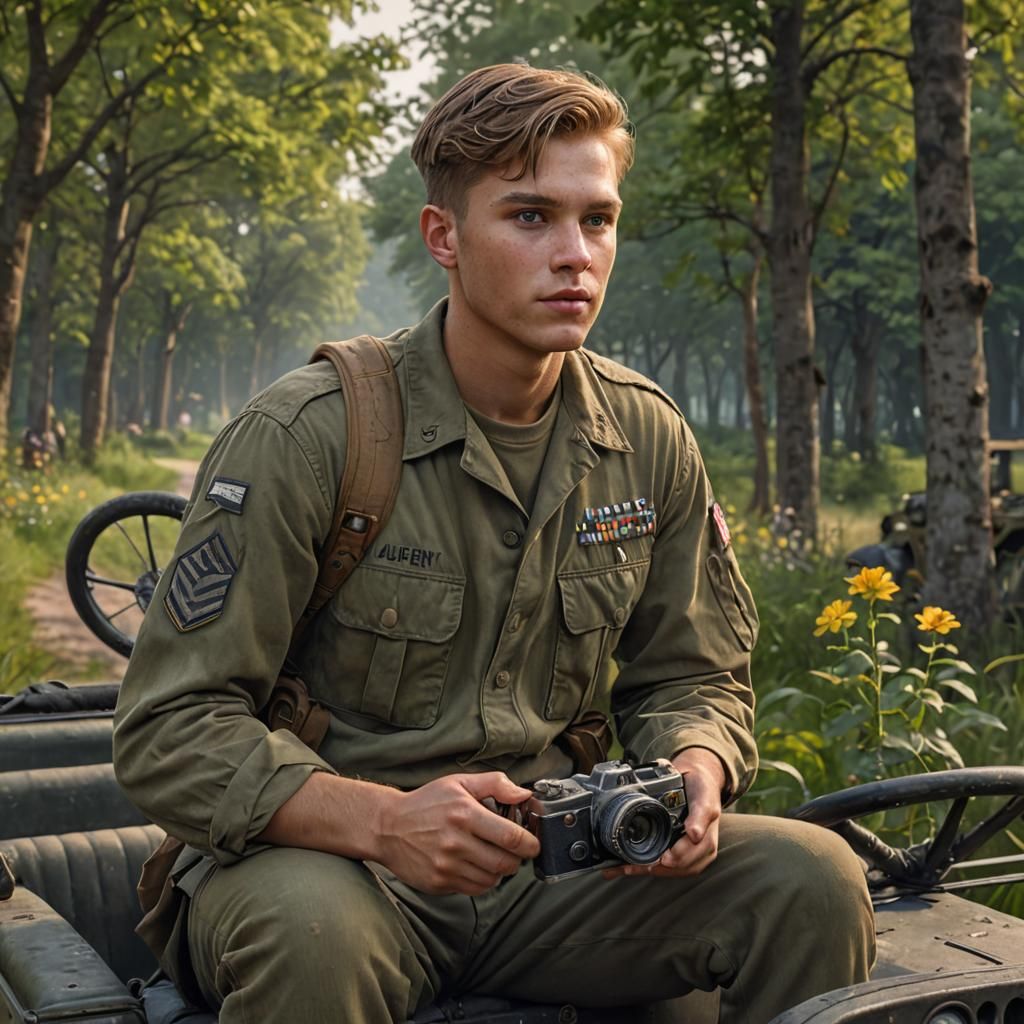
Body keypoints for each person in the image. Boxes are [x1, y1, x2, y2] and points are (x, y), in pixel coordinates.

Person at [113, 63, 874, 1024]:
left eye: (597, 220)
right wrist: (386, 823)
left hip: (552, 875)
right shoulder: (314, 434)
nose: (575, 255)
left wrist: (694, 764)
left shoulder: (646, 439)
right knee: (312, 937)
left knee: (811, 878)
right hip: (328, 868)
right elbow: (167, 729)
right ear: (445, 237)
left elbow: (695, 676)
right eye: (529, 218)